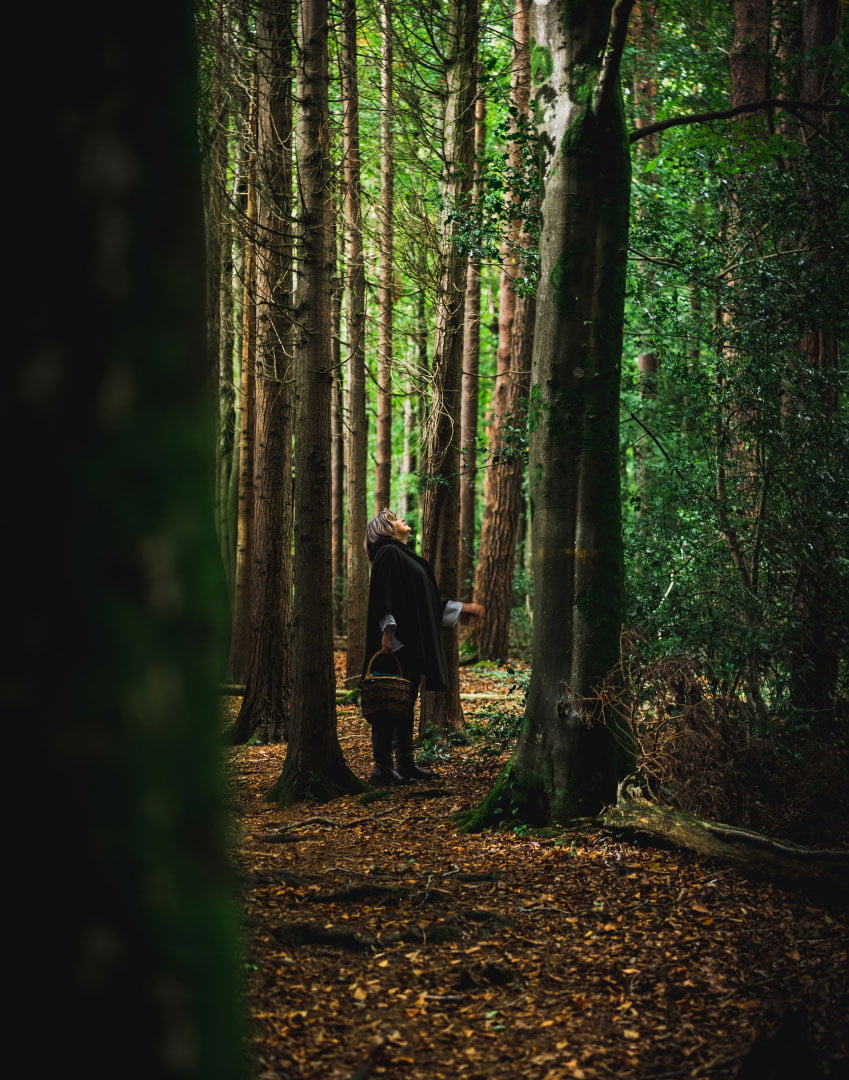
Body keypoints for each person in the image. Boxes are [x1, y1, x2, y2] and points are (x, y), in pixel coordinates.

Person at [362, 508, 484, 785]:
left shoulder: (404, 556)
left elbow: (426, 605)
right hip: (393, 645)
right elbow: (384, 596)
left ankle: (405, 764)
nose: (401, 519)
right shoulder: (387, 553)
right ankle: (382, 768)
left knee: (404, 703)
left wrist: (462, 610)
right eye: (394, 518)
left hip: (409, 645)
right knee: (386, 703)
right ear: (385, 528)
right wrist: (388, 633)